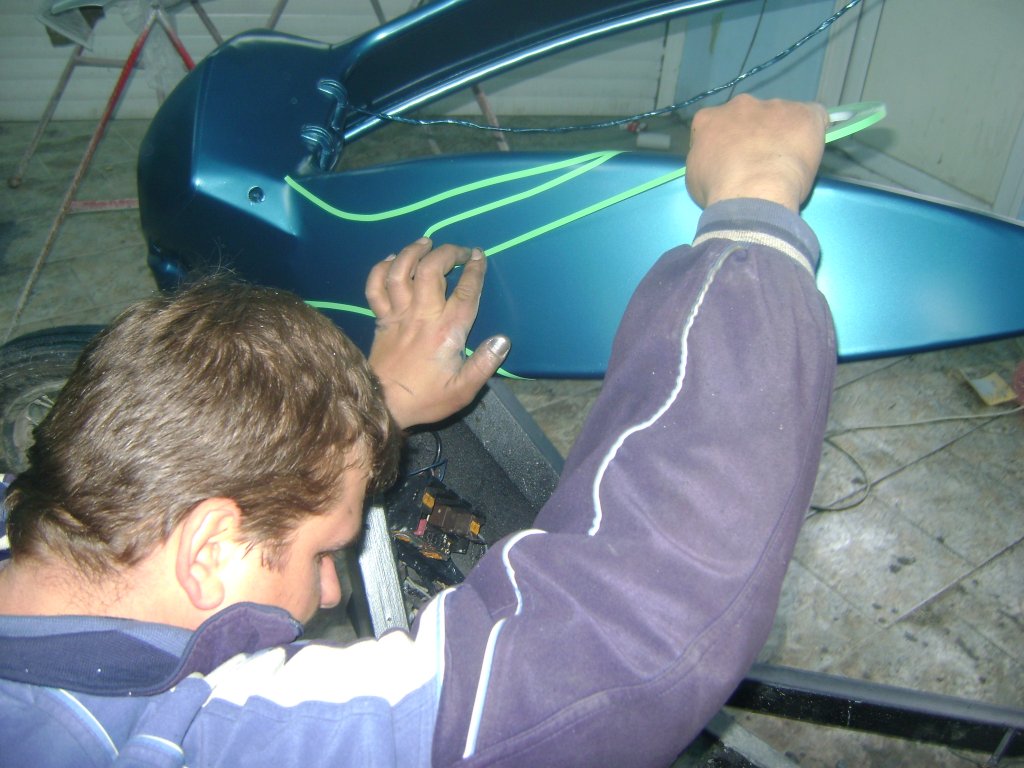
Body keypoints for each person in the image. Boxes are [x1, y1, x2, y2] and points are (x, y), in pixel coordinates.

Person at [0, 94, 834, 767]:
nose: (332, 595)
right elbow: (623, 640)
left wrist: (372, 408)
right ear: (209, 550)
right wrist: (755, 212)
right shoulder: (190, 741)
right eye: (322, 553)